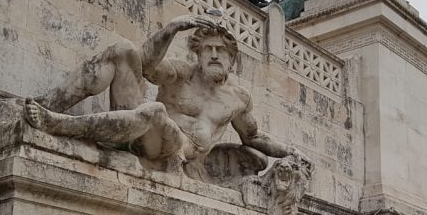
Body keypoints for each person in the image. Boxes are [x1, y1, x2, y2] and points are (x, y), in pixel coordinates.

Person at [24, 16, 295, 179]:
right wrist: (171, 29)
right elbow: (146, 66)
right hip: (135, 125)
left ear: (231, 59)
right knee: (123, 50)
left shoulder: (238, 98)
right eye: (207, 49)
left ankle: (58, 124)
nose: (214, 54)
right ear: (197, 55)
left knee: (155, 112)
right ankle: (47, 104)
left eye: (220, 50)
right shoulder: (181, 72)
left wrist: (292, 152)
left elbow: (253, 137)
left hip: (172, 146)